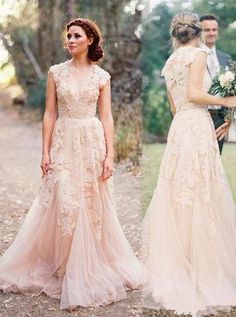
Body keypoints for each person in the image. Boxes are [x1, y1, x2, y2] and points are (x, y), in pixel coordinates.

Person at [0, 18, 145, 310]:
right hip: (64, 141)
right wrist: (44, 152)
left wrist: (110, 155)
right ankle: (64, 266)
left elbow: (106, 118)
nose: (71, 40)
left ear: (90, 39)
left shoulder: (102, 76)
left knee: (89, 203)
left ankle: (88, 265)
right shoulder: (56, 73)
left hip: (91, 143)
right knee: (64, 201)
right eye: (68, 36)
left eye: (77, 35)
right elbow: (49, 115)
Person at [142, 12, 236, 317]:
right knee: (199, 191)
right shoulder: (197, 54)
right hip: (196, 125)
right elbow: (196, 94)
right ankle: (199, 266)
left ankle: (181, 260)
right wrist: (227, 101)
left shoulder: (170, 62)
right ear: (196, 33)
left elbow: (174, 103)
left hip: (180, 126)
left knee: (179, 192)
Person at [200, 14, 232, 154]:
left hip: (220, 120)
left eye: (214, 29)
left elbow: (232, 91)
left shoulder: (226, 58)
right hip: (199, 116)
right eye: (207, 30)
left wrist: (229, 119)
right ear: (199, 32)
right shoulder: (193, 56)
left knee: (215, 162)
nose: (211, 33)